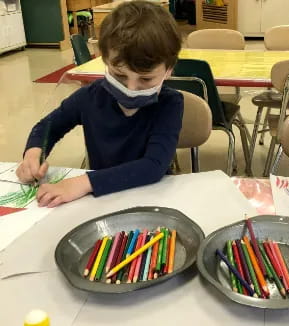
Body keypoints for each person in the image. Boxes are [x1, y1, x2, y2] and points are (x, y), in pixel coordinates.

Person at [16, 1, 183, 208]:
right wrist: (34, 153)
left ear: (168, 71)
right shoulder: (89, 96)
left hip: (151, 198)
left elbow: (153, 166)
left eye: (146, 80)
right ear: (105, 60)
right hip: (101, 201)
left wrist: (84, 183)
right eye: (120, 75)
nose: (131, 88)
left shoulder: (170, 104)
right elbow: (47, 127)